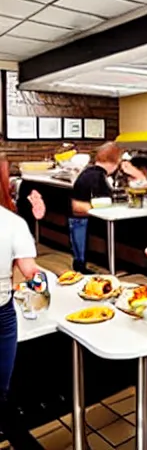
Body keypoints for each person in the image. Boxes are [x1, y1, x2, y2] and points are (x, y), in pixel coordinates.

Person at [0, 155, 43, 449]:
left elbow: (30, 272)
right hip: (3, 312)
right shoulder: (12, 222)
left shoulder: (12, 222)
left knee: (1, 388)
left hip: (3, 312)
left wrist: (38, 282)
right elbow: (31, 272)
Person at [69, 142, 122, 273]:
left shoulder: (87, 172)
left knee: (76, 244)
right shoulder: (99, 176)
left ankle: (79, 263)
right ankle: (82, 266)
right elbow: (103, 198)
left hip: (75, 214)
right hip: (82, 215)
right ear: (114, 162)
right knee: (82, 244)